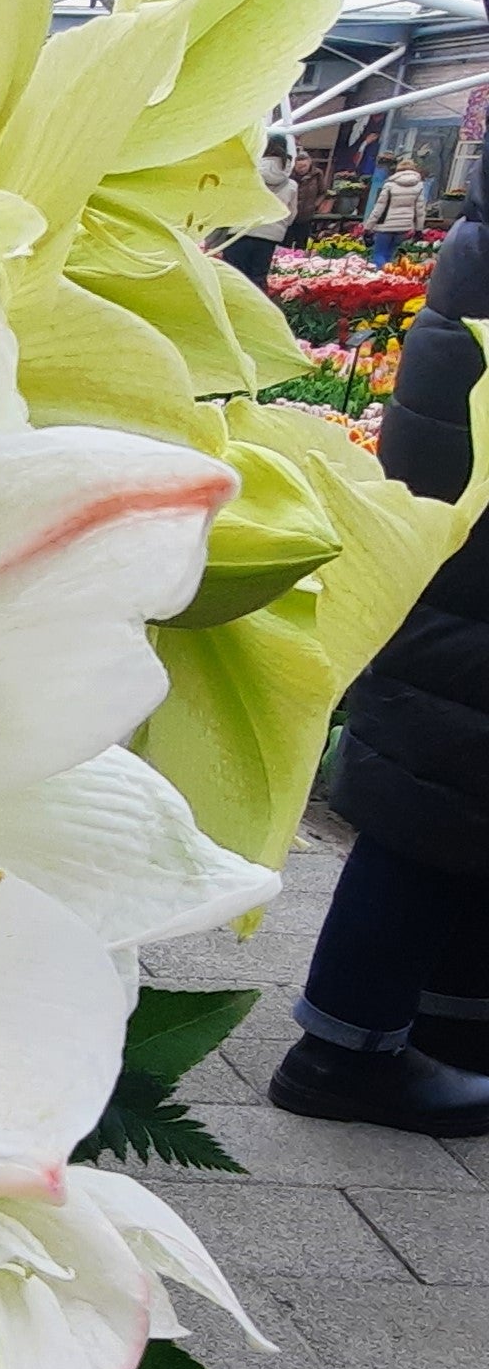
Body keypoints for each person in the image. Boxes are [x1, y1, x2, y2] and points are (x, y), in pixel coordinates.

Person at [270, 149, 489, 1135]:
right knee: (443, 767)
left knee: (451, 766)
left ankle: (439, 1019)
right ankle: (346, 1048)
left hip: (458, 488)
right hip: (474, 504)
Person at [225, 138, 297, 288]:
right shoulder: (291, 185)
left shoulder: (248, 175)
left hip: (240, 232)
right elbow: (291, 214)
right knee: (258, 279)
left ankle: (232, 310)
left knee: (234, 279)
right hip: (269, 238)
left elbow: (232, 203)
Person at [366, 156, 427, 266]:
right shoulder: (419, 186)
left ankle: (380, 277)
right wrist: (419, 229)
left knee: (379, 254)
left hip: (385, 225)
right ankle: (389, 277)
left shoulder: (390, 185)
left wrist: (368, 227)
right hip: (403, 226)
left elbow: (379, 208)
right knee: (391, 254)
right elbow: (420, 211)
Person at [289, 150, 326, 249]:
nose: (301, 169)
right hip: (290, 215)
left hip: (307, 215)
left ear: (309, 163)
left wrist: (315, 205)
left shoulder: (317, 175)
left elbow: (322, 192)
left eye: (304, 166)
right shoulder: (289, 175)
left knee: (302, 244)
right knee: (286, 244)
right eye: (299, 167)